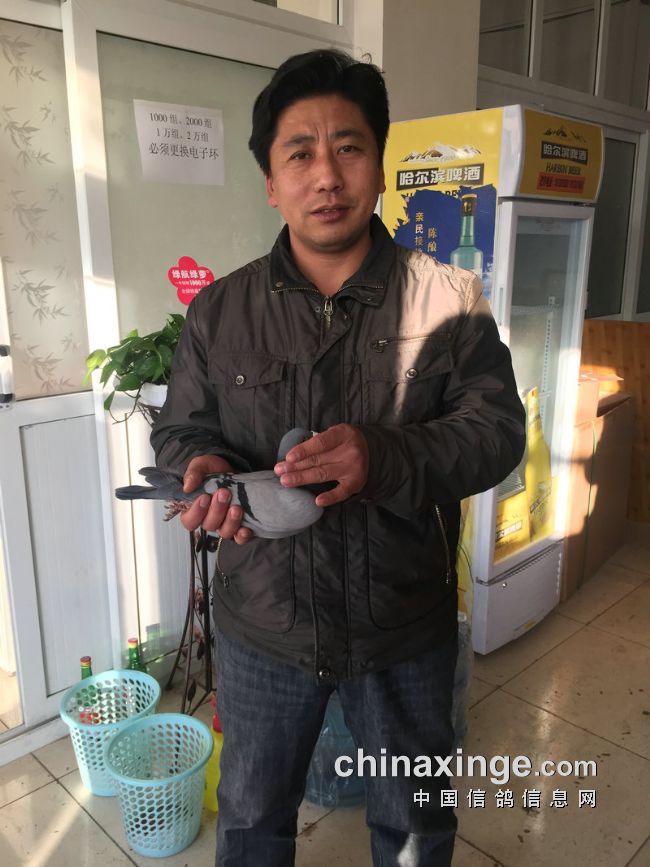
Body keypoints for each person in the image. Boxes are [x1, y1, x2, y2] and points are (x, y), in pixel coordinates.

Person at [151, 49, 525, 867]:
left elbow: (498, 431)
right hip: (264, 624)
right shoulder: (220, 310)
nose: (327, 174)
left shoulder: (449, 300)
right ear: (271, 182)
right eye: (300, 153)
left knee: (415, 823)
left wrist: (385, 454)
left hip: (402, 623)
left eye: (349, 147)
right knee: (251, 819)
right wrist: (201, 465)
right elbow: (180, 430)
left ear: (379, 165)